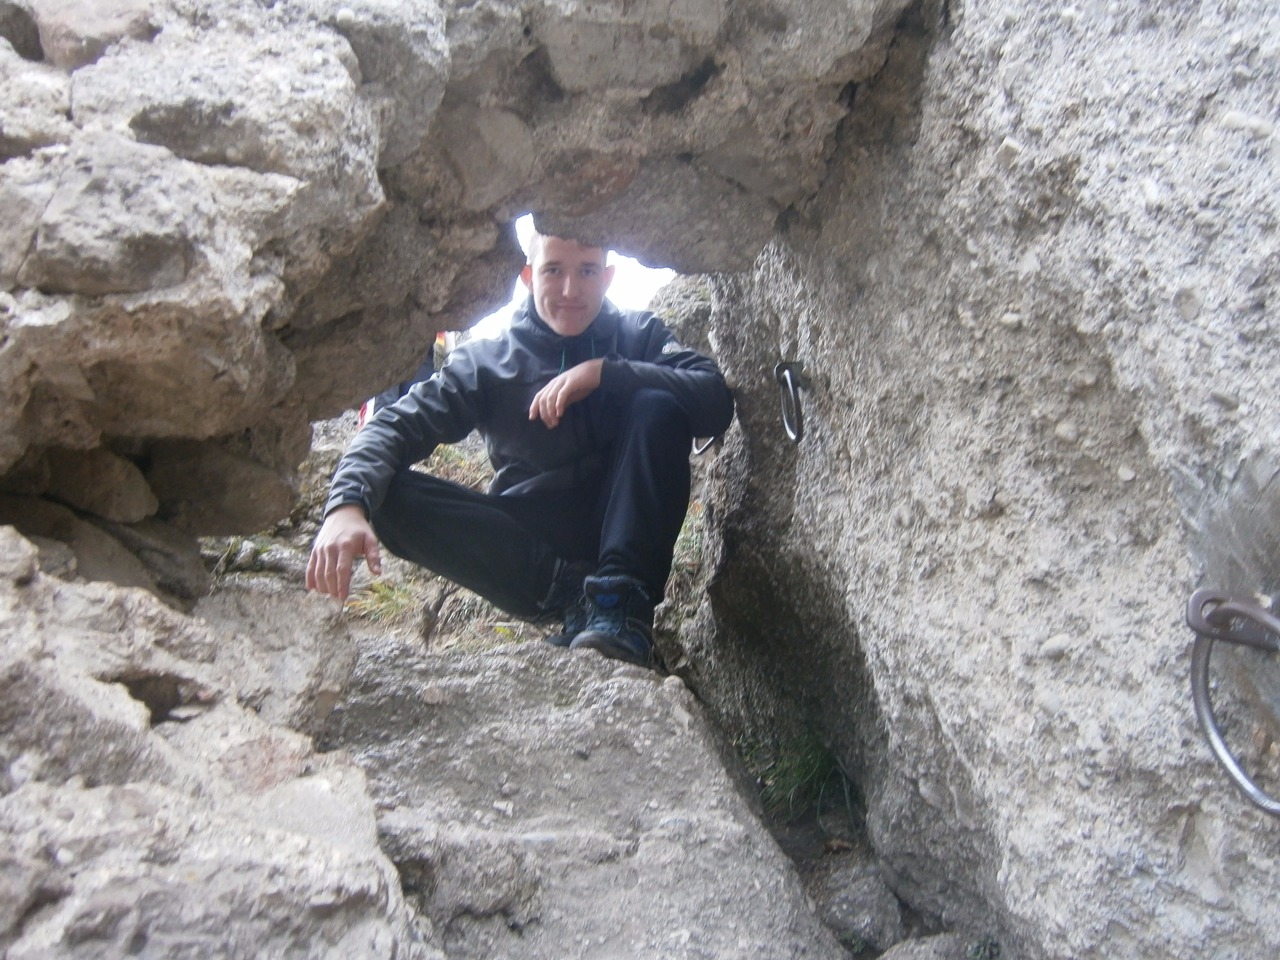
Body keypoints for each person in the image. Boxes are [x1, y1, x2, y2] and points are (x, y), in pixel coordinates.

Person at [306, 232, 735, 668]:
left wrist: (605, 373)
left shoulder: (638, 335)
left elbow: (714, 400)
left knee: (659, 402)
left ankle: (620, 605)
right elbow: (394, 425)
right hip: (532, 550)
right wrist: (345, 505)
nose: (570, 289)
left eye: (587, 271)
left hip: (626, 527)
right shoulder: (488, 361)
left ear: (607, 277)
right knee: (384, 493)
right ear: (528, 276)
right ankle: (575, 600)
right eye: (554, 270)